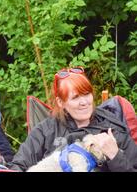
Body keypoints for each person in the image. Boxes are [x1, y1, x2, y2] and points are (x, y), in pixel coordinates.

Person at [8, 67, 137, 172]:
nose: (84, 102)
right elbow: (18, 166)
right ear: (61, 102)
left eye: (87, 94)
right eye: (75, 97)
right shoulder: (46, 130)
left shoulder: (112, 129)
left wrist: (115, 156)